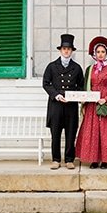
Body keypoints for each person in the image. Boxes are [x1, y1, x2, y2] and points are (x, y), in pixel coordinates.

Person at [75, 35, 107, 170]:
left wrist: (106, 98)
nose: (100, 54)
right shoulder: (90, 69)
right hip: (92, 103)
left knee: (105, 132)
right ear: (94, 54)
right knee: (92, 132)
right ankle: (93, 160)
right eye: (98, 52)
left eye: (103, 52)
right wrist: (85, 101)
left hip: (105, 103)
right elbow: (86, 86)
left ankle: (105, 160)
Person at [42, 33, 84, 170]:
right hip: (56, 105)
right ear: (60, 50)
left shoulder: (77, 68)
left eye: (69, 49)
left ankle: (69, 160)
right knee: (56, 133)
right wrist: (57, 95)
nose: (66, 51)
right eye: (64, 49)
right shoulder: (51, 66)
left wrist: (73, 96)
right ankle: (55, 159)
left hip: (71, 106)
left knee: (71, 133)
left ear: (72, 51)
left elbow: (81, 86)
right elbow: (46, 83)